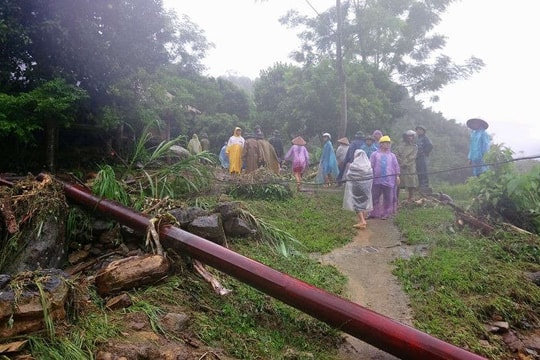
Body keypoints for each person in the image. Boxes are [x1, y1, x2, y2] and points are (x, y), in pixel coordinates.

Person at [370, 135, 400, 220]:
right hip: (376, 179)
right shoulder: (375, 154)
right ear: (381, 144)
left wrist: (397, 176)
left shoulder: (392, 156)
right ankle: (374, 212)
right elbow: (371, 166)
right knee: (374, 196)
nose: (387, 145)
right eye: (385, 143)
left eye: (388, 143)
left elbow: (396, 166)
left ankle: (386, 213)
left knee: (388, 197)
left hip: (389, 180)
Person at [343, 149, 373, 230]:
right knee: (363, 203)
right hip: (366, 188)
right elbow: (371, 177)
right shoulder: (368, 166)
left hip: (356, 188)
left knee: (356, 203)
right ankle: (363, 218)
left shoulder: (354, 165)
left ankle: (362, 221)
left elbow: (348, 175)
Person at [395, 130, 418, 202]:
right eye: (408, 136)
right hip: (400, 166)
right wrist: (401, 162)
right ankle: (396, 198)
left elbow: (412, 157)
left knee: (411, 181)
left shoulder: (415, 147)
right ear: (405, 137)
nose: (410, 138)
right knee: (399, 182)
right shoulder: (400, 146)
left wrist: (405, 163)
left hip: (410, 166)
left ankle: (410, 197)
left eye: (411, 136)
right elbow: (396, 154)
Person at [415, 125, 433, 190]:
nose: (418, 131)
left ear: (423, 131)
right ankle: (420, 184)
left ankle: (425, 185)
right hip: (417, 157)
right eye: (417, 130)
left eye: (420, 130)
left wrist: (425, 152)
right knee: (418, 170)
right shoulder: (416, 138)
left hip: (422, 157)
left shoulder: (425, 138)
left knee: (423, 170)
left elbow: (430, 145)